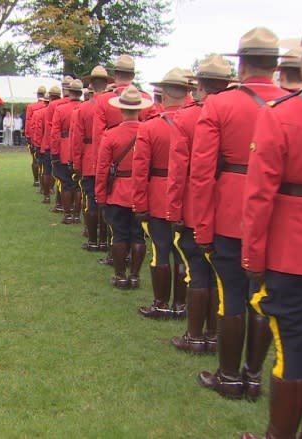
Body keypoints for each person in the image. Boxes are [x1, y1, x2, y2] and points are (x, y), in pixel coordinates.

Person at [240, 11, 302, 439]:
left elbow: (259, 197)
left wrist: (253, 258)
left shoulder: (281, 115)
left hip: (292, 254)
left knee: (292, 351)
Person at [190, 27, 287, 401]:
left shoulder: (219, 105)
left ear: (241, 64)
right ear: (275, 63)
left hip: (230, 210)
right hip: (276, 214)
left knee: (232, 294)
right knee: (262, 297)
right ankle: (254, 374)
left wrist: (202, 223)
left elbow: (201, 173)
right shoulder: (292, 102)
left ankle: (229, 376)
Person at [167, 55, 233, 354]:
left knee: (197, 271)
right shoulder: (254, 111)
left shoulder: (186, 118)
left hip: (196, 206)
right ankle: (216, 335)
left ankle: (195, 336)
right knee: (224, 278)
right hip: (233, 211)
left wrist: (174, 211)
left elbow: (179, 171)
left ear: (200, 85)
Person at [133, 68, 194, 319]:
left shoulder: (149, 128)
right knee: (182, 253)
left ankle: (160, 304)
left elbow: (140, 170)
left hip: (158, 194)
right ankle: (180, 305)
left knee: (160, 250)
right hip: (187, 195)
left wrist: (139, 203)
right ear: (187, 93)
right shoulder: (196, 121)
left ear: (164, 93)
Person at [94, 85, 149, 289]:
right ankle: (134, 276)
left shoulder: (110, 135)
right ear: (140, 108)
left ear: (121, 109)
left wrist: (100, 195)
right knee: (138, 235)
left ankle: (120, 275)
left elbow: (102, 169)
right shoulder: (148, 131)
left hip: (117, 192)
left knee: (119, 234)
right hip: (142, 191)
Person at [74, 65, 113, 252]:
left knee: (92, 200)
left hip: (89, 157)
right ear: (107, 83)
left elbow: (77, 139)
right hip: (111, 156)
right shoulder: (114, 104)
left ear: (90, 84)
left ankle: (93, 240)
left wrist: (76, 162)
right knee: (106, 202)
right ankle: (105, 240)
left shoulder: (83, 109)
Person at [51, 79, 83, 224]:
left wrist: (55, 153)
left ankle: (68, 214)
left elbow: (54, 133)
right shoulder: (85, 107)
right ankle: (77, 214)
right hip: (81, 149)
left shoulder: (61, 109)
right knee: (78, 185)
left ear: (69, 92)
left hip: (64, 149)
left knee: (66, 183)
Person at [25, 85, 46, 186]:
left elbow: (28, 123)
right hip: (46, 136)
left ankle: (36, 180)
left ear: (37, 95)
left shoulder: (31, 106)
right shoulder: (48, 105)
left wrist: (28, 136)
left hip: (35, 136)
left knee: (35, 159)